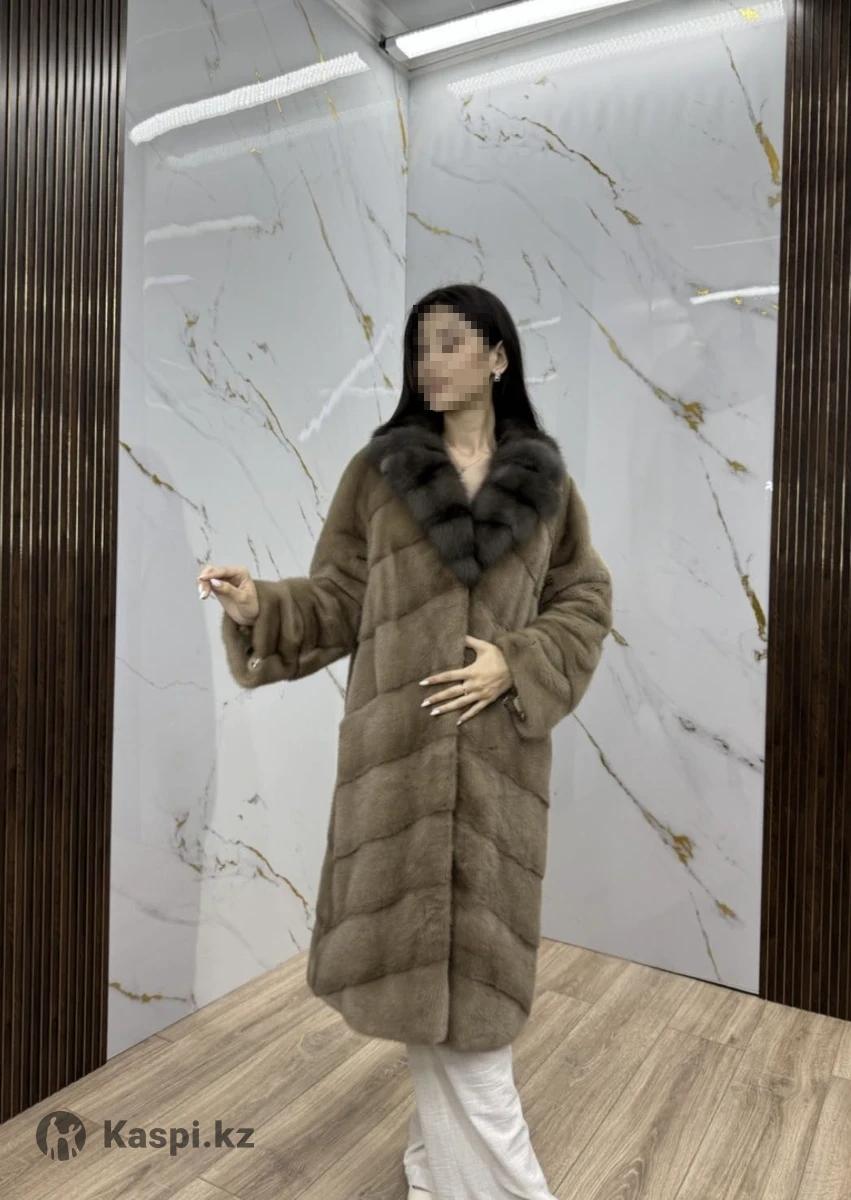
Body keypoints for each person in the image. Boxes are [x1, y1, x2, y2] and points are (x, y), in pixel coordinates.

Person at [198, 283, 613, 1199]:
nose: (431, 362)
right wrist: (261, 606)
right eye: (420, 346)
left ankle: (440, 1173)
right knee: (446, 1013)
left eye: (452, 343)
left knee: (474, 1012)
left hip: (498, 771)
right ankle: (462, 1180)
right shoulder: (378, 473)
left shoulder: (545, 484)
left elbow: (584, 598)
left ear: (497, 357)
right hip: (395, 771)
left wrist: (517, 662)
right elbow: (340, 599)